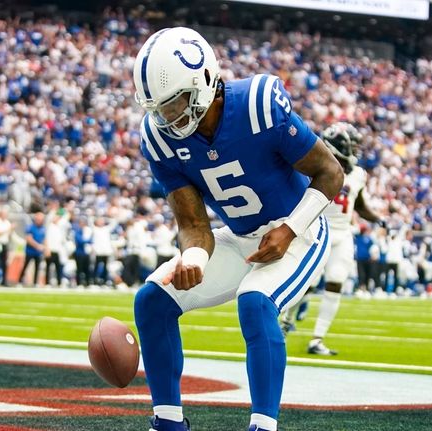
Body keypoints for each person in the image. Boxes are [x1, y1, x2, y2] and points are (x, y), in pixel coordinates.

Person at [131, 27, 343, 431]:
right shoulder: (159, 139)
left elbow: (330, 172)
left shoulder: (258, 105)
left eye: (174, 103)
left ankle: (263, 427)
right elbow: (193, 223)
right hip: (241, 237)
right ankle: (169, 424)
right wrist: (193, 256)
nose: (166, 117)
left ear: (204, 81)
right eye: (157, 108)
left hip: (302, 230)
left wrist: (290, 230)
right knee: (152, 301)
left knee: (255, 301)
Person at [280, 123, 383, 355]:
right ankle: (286, 322)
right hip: (317, 230)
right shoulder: (315, 166)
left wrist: (377, 218)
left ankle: (317, 339)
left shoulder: (358, 174)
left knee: (336, 281)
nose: (356, 151)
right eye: (351, 146)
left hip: (343, 234)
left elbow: (358, 204)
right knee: (306, 284)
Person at [19, 211, 46, 287]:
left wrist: (45, 247)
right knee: (25, 266)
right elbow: (29, 239)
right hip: (30, 251)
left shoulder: (43, 228)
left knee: (37, 267)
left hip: (38, 252)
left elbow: (44, 239)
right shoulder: (30, 227)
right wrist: (38, 246)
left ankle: (35, 283)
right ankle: (20, 281)